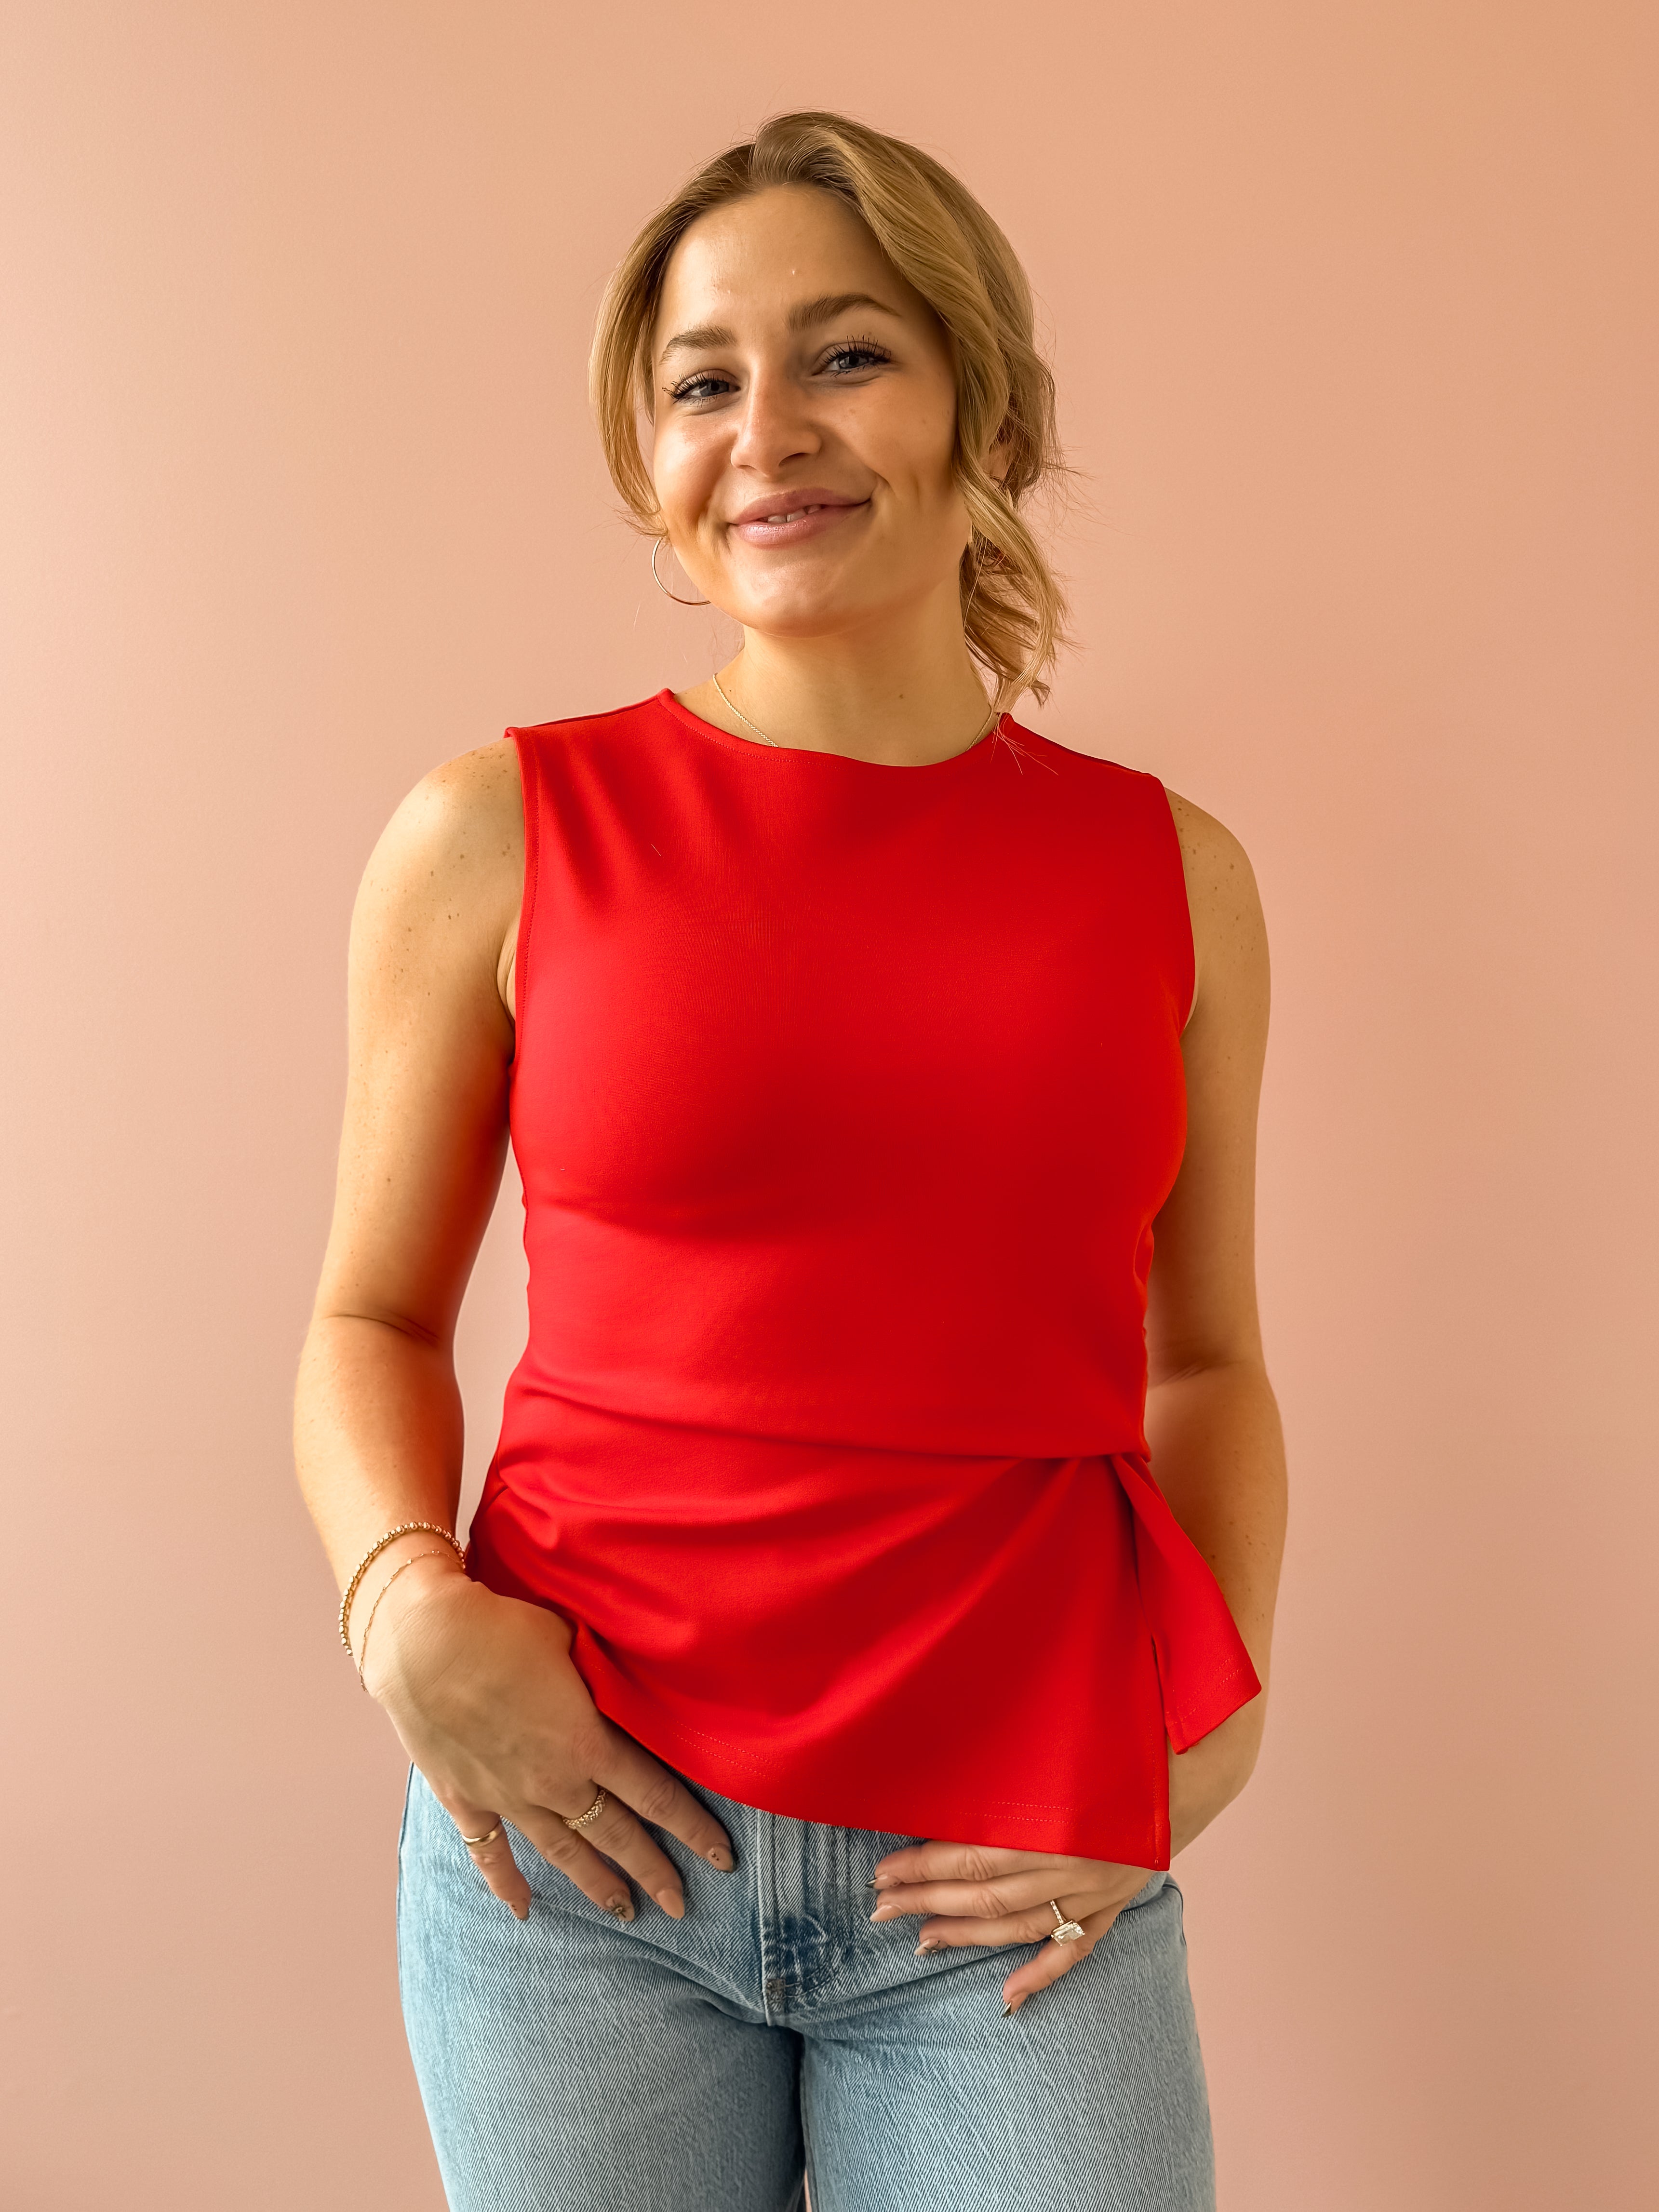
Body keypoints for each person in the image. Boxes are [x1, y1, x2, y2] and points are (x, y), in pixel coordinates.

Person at [294, 109, 1287, 2212]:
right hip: (576, 1853)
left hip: (1009, 1889)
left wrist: (1215, 1731)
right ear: (647, 447)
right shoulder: (498, 831)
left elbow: (1207, 1361)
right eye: (704, 377)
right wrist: (401, 1600)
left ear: (978, 403)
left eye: (847, 354)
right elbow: (369, 1317)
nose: (770, 430)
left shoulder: (1169, 873)